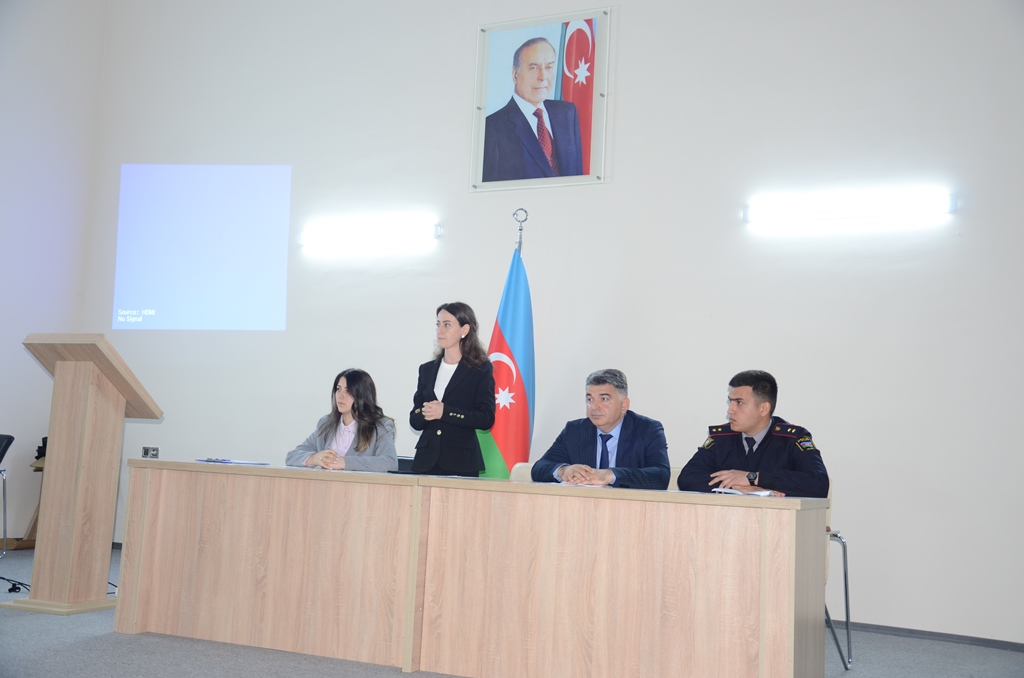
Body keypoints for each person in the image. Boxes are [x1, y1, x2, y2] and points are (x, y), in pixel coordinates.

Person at [677, 370, 829, 498]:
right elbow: (687, 478)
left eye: (739, 402)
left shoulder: (792, 439)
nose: (730, 410)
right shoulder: (721, 438)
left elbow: (819, 484)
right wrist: (736, 489)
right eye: (730, 401)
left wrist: (754, 478)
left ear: (763, 409)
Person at [531, 369, 670, 489]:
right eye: (590, 400)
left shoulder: (647, 430)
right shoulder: (575, 430)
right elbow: (539, 468)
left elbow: (661, 476)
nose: (594, 407)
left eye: (604, 399)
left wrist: (609, 475)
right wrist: (564, 471)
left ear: (624, 405)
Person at [409, 302, 496, 476]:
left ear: (465, 330)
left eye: (447, 325)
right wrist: (425, 413)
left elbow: (486, 418)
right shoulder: (426, 369)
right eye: (438, 324)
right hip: (425, 462)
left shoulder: (480, 369)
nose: (440, 330)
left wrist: (445, 412)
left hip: (461, 461)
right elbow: (415, 420)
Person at [482, 37, 584, 182]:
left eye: (548, 67)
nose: (543, 77)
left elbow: (578, 177)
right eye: (533, 68)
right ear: (515, 74)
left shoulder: (567, 113)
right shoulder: (491, 128)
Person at [285, 368, 398, 472]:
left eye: (348, 391)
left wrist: (343, 462)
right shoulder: (326, 424)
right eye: (338, 389)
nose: (340, 396)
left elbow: (390, 463)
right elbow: (292, 456)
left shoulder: (380, 426)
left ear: (363, 396)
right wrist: (314, 458)